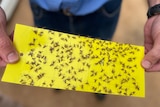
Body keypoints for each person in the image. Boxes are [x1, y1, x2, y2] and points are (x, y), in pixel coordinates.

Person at [0, 0, 160, 101]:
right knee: (54, 60)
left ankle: (100, 84)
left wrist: (157, 11)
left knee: (100, 58)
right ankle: (59, 80)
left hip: (101, 9)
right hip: (44, 9)